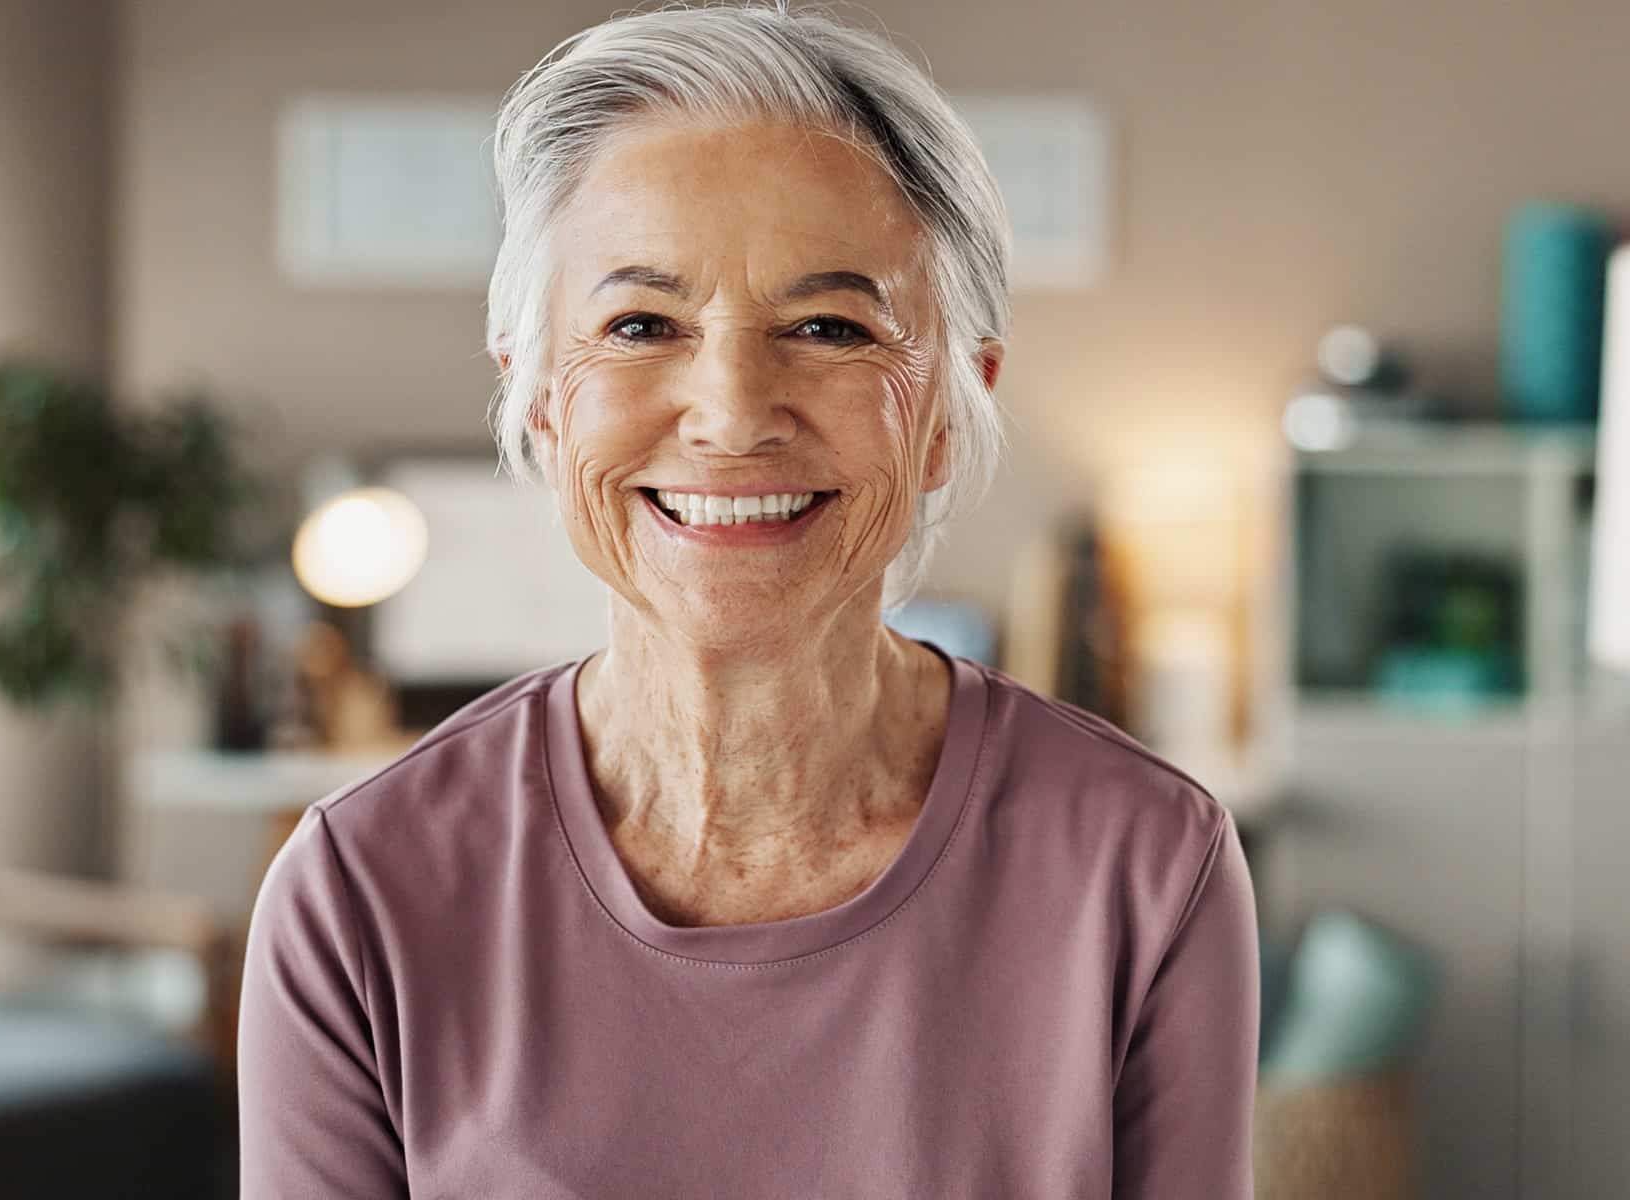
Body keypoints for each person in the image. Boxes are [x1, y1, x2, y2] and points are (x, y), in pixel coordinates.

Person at [235, 5, 1259, 1196]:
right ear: (543, 398)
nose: (731, 412)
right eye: (641, 325)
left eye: (828, 326)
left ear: (947, 408)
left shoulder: (1147, 870)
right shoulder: (358, 895)